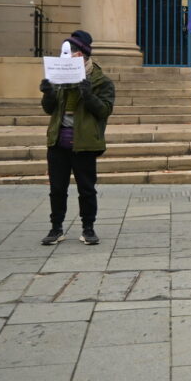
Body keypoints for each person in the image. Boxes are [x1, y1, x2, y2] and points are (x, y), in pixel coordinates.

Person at [39, 30, 115, 246]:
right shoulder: (59, 77)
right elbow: (49, 109)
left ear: (82, 55)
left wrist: (88, 95)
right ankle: (56, 228)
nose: (69, 56)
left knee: (86, 188)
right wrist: (48, 92)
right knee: (57, 188)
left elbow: (104, 111)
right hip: (58, 142)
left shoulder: (101, 81)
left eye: (72, 52)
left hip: (84, 143)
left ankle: (88, 228)